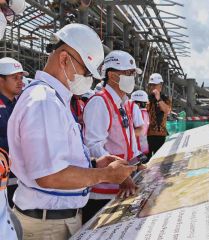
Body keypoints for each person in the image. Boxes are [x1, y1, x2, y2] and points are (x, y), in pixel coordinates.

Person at [7, 23, 137, 240]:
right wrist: (105, 175)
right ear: (65, 59)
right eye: (86, 72)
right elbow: (48, 176)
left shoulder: (51, 99)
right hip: (47, 227)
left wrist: (95, 164)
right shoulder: (44, 102)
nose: (88, 79)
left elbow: (57, 161)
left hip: (53, 220)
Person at [82, 50, 143, 223]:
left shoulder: (122, 103)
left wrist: (137, 164)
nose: (132, 77)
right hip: (103, 194)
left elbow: (127, 140)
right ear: (112, 75)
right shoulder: (99, 102)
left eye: (132, 73)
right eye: (128, 73)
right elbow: (93, 146)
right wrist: (121, 175)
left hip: (122, 187)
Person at [0, 57, 29, 208]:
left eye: (21, 77)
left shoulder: (21, 105)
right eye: (14, 77)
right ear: (1, 80)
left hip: (19, 180)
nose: (20, 82)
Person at [146, 73, 172, 159]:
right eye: (151, 85)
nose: (152, 87)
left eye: (154, 85)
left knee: (159, 160)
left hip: (160, 135)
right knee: (146, 161)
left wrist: (159, 98)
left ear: (160, 86)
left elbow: (167, 111)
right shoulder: (147, 98)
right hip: (147, 135)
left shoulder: (165, 98)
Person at [129, 90, 150, 156]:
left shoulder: (140, 113)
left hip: (138, 150)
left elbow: (140, 132)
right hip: (144, 148)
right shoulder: (145, 113)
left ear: (138, 104)